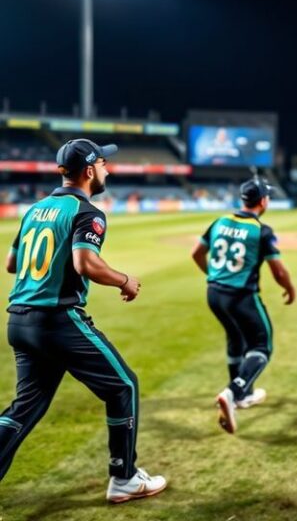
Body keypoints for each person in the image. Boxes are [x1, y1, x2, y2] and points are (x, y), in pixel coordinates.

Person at [0, 138, 166, 503]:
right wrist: (126, 280)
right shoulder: (87, 212)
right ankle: (124, 478)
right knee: (124, 387)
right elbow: (85, 263)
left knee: (24, 407)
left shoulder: (35, 209)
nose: (109, 168)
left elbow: (12, 264)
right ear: (90, 170)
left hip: (19, 320)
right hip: (57, 321)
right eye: (105, 163)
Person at [191, 176, 296, 434]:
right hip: (241, 297)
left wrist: (213, 275)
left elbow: (196, 253)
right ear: (263, 201)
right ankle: (233, 392)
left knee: (235, 338)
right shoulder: (262, 231)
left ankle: (242, 394)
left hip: (214, 293)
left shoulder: (220, 221)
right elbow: (279, 271)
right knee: (262, 345)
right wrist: (289, 288)